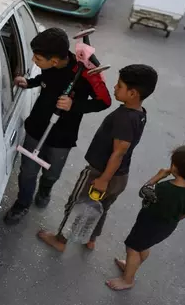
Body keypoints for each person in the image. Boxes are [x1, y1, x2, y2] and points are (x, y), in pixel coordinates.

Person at [38, 64, 158, 251]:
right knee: (100, 207)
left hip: (99, 173)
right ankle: (90, 238)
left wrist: (102, 179)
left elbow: (119, 151)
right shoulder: (139, 114)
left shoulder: (123, 118)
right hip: (120, 177)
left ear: (133, 93)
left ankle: (60, 240)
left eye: (119, 86)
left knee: (76, 204)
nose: (114, 88)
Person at [3, 28, 111, 225]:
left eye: (37, 58)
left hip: (62, 137)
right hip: (36, 128)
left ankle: (45, 190)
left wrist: (74, 105)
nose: (34, 61)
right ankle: (22, 203)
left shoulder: (86, 72)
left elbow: (104, 101)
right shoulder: (48, 66)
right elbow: (45, 80)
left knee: (52, 173)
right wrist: (30, 82)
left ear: (54, 60)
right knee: (27, 171)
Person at [106, 146, 185, 291]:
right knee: (144, 246)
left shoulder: (165, 188)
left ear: (175, 168)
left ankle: (127, 279)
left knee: (133, 248)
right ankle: (131, 266)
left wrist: (158, 176)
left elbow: (144, 192)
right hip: (167, 226)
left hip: (149, 223)